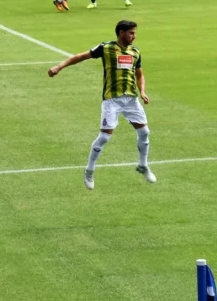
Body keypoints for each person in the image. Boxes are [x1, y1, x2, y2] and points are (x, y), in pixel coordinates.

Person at [46, 19, 155, 190]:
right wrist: (59, 67)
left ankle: (142, 165)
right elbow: (81, 56)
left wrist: (142, 91)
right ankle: (89, 170)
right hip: (112, 100)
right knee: (105, 137)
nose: (134, 36)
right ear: (121, 33)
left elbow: (140, 74)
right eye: (131, 33)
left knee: (144, 131)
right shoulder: (106, 48)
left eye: (134, 33)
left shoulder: (135, 52)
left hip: (131, 99)